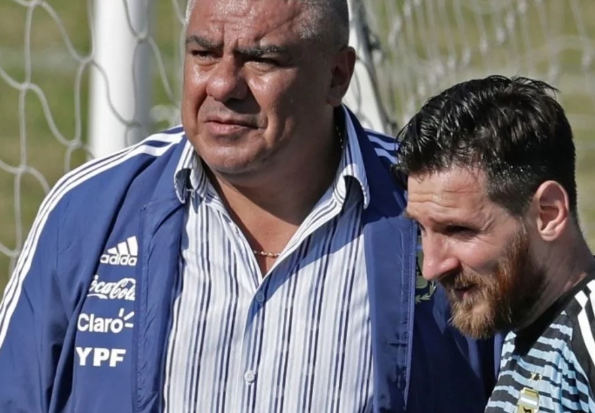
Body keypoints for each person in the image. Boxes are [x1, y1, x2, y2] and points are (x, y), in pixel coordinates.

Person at [0, 0, 499, 412]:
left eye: (261, 59)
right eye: (203, 53)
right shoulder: (90, 212)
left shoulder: (437, 213)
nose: (222, 85)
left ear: (337, 76)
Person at [396, 75, 595, 412]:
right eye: (421, 229)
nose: (431, 267)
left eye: (458, 229)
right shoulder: (526, 325)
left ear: (548, 214)